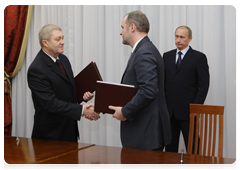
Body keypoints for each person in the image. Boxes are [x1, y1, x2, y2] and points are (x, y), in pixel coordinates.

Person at [109, 11, 171, 150]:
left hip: (145, 132)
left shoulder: (144, 52)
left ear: (132, 27)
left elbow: (148, 91)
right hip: (146, 131)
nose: (120, 32)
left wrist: (125, 111)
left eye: (122, 27)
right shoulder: (145, 49)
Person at [27, 24, 100, 142]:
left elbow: (67, 90)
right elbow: (50, 103)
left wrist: (83, 97)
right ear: (45, 43)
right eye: (58, 39)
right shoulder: (36, 69)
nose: (62, 42)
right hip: (50, 136)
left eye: (62, 38)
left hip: (69, 130)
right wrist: (82, 110)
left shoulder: (63, 59)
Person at [163, 25, 209, 152]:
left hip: (189, 113)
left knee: (193, 148)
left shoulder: (199, 57)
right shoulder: (166, 56)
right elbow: (163, 83)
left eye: (182, 37)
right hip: (170, 112)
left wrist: (195, 108)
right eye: (176, 36)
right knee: (170, 149)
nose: (178, 40)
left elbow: (203, 85)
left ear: (190, 39)